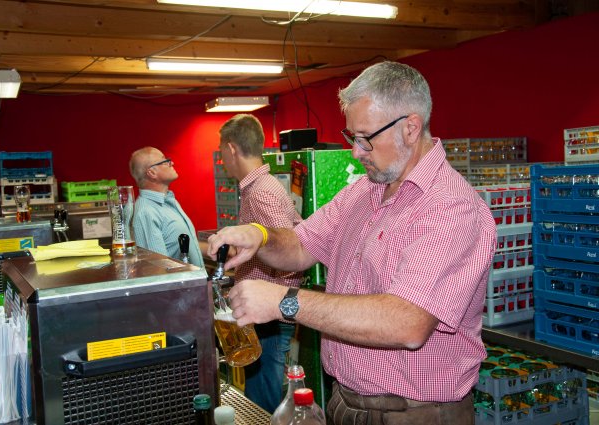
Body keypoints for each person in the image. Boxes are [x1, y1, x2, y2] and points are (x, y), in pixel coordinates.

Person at [207, 61, 497, 425]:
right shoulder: (364, 191)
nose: (356, 152)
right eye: (351, 138)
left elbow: (407, 323)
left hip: (415, 414)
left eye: (365, 138)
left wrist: (285, 302)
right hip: (346, 401)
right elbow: (300, 245)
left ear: (410, 128)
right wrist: (260, 237)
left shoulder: (450, 206)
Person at [218, 114, 303, 413]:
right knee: (260, 393)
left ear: (231, 149)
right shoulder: (261, 187)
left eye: (221, 153)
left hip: (268, 317)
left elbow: (290, 252)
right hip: (267, 312)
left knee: (261, 401)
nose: (223, 161)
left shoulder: (261, 193)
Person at [129, 147, 204, 267]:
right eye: (165, 161)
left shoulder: (168, 201)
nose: (171, 163)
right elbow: (159, 269)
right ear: (152, 173)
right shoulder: (146, 212)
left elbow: (182, 247)